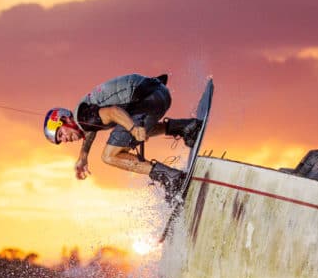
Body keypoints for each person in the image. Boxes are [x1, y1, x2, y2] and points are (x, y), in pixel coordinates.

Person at [43, 73, 201, 200]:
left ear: (65, 119)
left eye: (60, 133)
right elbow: (93, 128)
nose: (63, 139)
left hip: (152, 100)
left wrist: (133, 128)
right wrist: (84, 155)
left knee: (109, 156)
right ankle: (185, 127)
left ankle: (171, 178)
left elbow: (112, 112)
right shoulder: (84, 113)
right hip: (158, 93)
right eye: (59, 140)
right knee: (127, 131)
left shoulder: (84, 118)